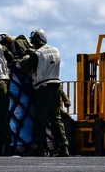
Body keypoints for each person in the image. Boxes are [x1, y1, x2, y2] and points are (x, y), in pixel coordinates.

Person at [19, 29, 70, 157]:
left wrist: (26, 57)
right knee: (56, 118)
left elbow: (24, 68)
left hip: (43, 88)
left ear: (36, 41)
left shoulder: (37, 54)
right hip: (56, 87)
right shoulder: (56, 50)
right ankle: (64, 146)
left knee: (40, 119)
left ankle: (40, 148)